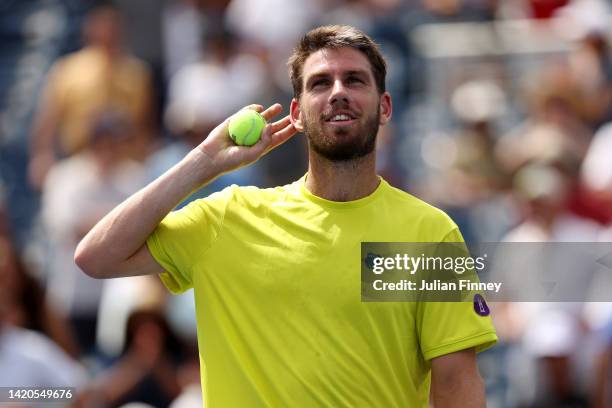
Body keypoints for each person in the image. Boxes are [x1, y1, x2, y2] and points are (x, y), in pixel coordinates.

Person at [76, 25, 497, 407]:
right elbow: (96, 256)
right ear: (296, 114)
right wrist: (203, 162)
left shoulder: (430, 232)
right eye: (320, 83)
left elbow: (457, 383)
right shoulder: (228, 218)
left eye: (354, 80)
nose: (337, 92)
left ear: (385, 107)